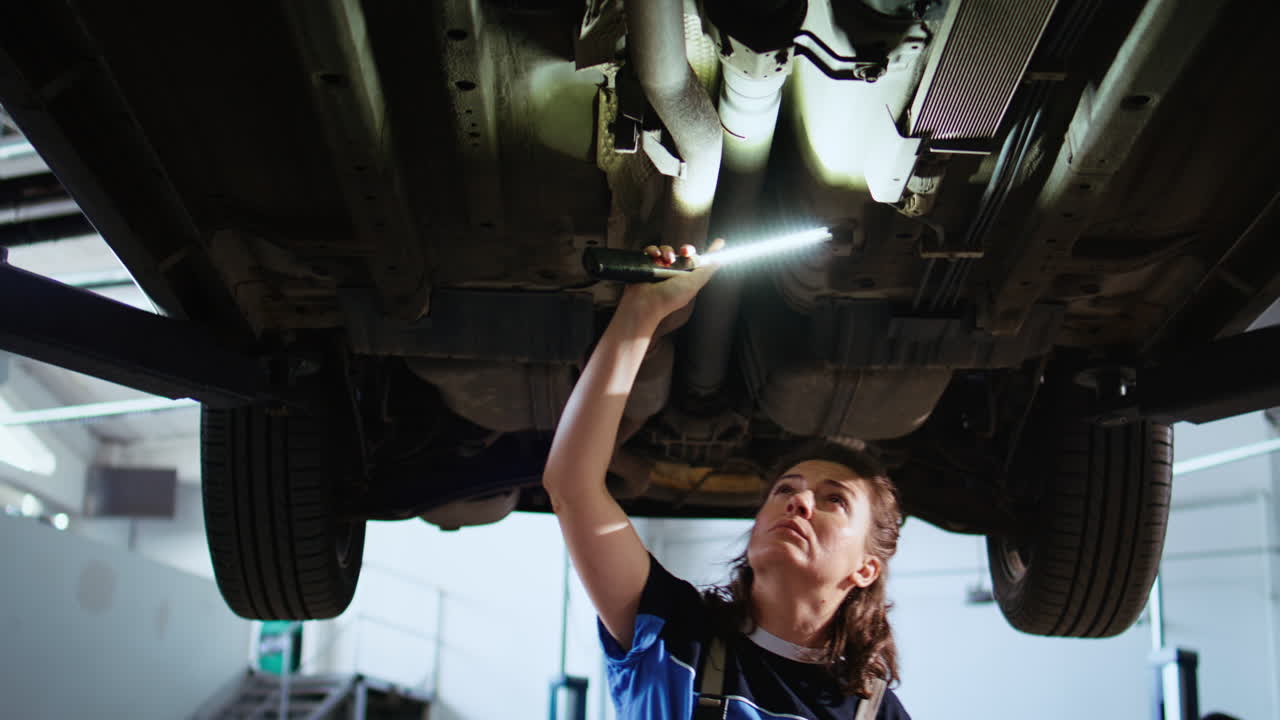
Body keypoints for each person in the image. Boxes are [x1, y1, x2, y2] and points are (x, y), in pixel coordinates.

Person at [543, 241, 911, 719]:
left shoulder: (874, 713)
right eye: (785, 489)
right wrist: (642, 312)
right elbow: (573, 487)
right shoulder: (672, 630)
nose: (799, 501)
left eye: (834, 500)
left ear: (866, 568)